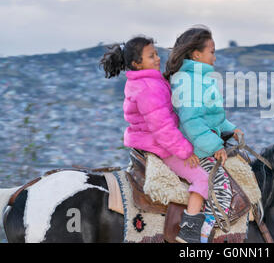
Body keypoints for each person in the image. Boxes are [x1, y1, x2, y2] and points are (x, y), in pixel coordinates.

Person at [99, 36, 208, 243]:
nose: (158, 58)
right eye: (151, 56)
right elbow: (163, 129)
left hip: (146, 143)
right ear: (136, 63)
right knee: (202, 178)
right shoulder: (149, 87)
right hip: (160, 147)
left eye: (156, 53)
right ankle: (190, 229)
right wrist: (186, 151)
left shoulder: (143, 82)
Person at [164, 26, 244, 243]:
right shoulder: (190, 82)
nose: (215, 57)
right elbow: (192, 122)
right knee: (222, 190)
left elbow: (211, 117)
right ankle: (197, 235)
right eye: (212, 52)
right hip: (196, 149)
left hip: (203, 143)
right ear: (196, 54)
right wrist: (216, 146)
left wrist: (230, 128)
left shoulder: (200, 79)